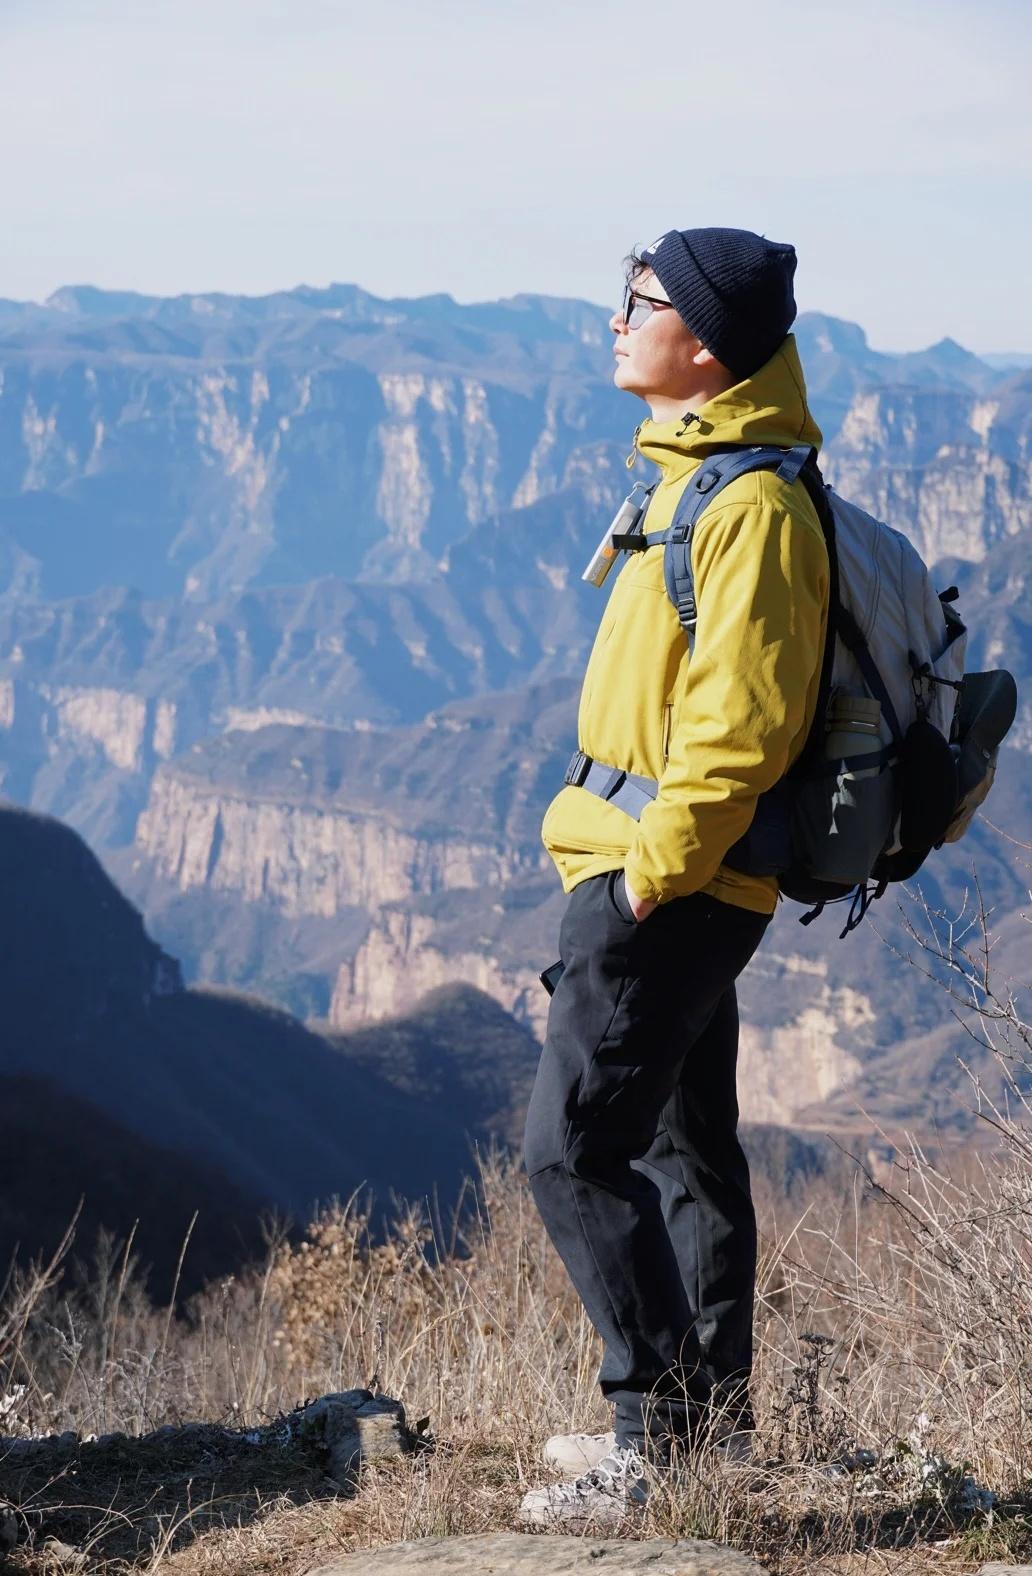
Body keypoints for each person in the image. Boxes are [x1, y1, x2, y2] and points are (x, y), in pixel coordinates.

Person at [520, 227, 831, 1529]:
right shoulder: (695, 477)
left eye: (634, 302)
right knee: (687, 1149)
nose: (613, 320)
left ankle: (655, 1437)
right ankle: (711, 1442)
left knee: (569, 1151)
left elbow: (741, 728)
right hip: (662, 870)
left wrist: (652, 874)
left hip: (669, 884)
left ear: (700, 340)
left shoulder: (749, 506)